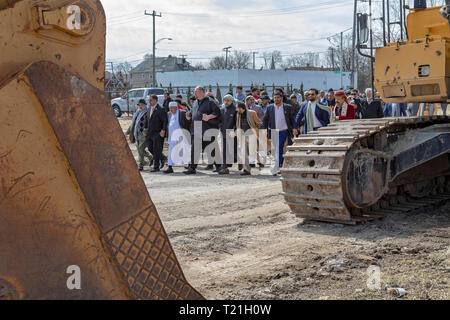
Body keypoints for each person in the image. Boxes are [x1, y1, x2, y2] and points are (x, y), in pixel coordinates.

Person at [184, 86, 222, 175]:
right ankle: (192, 168)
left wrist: (209, 117)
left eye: (196, 92)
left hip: (207, 128)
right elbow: (194, 113)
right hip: (196, 128)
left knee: (212, 148)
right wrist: (189, 116)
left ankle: (219, 167)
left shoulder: (210, 102)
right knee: (195, 149)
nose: (195, 94)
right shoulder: (196, 102)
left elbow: (217, 112)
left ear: (201, 92)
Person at [261, 91, 295, 173]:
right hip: (274, 131)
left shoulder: (287, 107)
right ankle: (279, 165)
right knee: (275, 150)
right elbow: (265, 119)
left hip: (284, 131)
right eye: (275, 97)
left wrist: (295, 128)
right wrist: (263, 130)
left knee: (279, 148)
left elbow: (292, 119)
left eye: (278, 97)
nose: (276, 99)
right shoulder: (270, 108)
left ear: (281, 98)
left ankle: (278, 166)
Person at [164, 101, 191, 174]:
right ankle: (170, 167)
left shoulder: (182, 113)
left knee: (186, 150)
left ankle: (190, 166)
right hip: (171, 136)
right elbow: (167, 123)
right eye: (169, 108)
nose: (170, 110)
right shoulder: (169, 114)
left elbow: (188, 122)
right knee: (170, 151)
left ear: (176, 108)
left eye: (172, 108)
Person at [236, 102, 261, 176]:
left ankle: (260, 161)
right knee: (244, 153)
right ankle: (246, 169)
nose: (236, 109)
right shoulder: (238, 115)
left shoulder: (252, 113)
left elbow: (258, 123)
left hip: (252, 135)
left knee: (253, 151)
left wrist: (255, 130)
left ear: (241, 108)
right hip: (243, 136)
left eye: (237, 108)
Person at [127, 99, 152, 171]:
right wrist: (127, 132)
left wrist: (146, 131)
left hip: (143, 134)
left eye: (141, 105)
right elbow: (133, 124)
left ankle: (140, 164)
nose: (140, 106)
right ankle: (151, 158)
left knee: (140, 149)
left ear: (145, 105)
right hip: (136, 133)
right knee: (139, 149)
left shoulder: (147, 112)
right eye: (139, 105)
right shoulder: (137, 112)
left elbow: (149, 123)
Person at [146, 95, 168, 173]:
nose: (149, 101)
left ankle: (156, 167)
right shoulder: (149, 109)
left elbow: (165, 121)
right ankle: (162, 158)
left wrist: (163, 130)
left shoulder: (161, 109)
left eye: (151, 100)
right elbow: (148, 120)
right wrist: (145, 130)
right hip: (150, 133)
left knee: (157, 149)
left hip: (158, 133)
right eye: (149, 100)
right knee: (150, 148)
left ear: (155, 100)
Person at [219, 95, 237, 175]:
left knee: (234, 150)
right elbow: (220, 121)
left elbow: (237, 122)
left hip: (233, 134)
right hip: (224, 133)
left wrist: (234, 131)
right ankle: (224, 167)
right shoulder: (222, 110)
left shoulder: (235, 110)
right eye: (224, 100)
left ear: (231, 101)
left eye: (227, 100)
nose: (226, 102)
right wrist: (221, 128)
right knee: (224, 150)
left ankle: (240, 163)